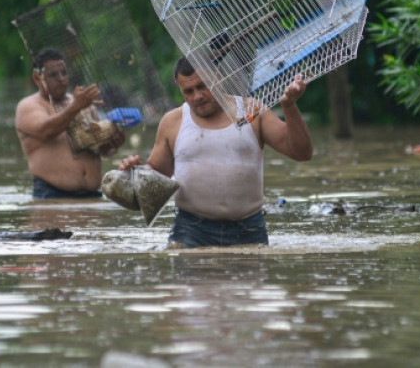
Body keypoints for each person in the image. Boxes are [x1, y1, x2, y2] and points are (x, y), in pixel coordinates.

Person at [119, 56, 312, 248]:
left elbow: (302, 152)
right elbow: (157, 174)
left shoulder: (251, 111)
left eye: (203, 87)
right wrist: (136, 172)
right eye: (188, 91)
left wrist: (289, 106)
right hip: (191, 229)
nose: (197, 96)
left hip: (248, 228)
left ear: (219, 79)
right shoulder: (173, 121)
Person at [15, 48, 124, 199]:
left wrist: (112, 145)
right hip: (51, 196)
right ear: (37, 78)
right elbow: (46, 130)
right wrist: (76, 108)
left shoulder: (82, 102)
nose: (61, 79)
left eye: (64, 73)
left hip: (92, 196)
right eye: (53, 74)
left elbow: (98, 148)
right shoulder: (29, 106)